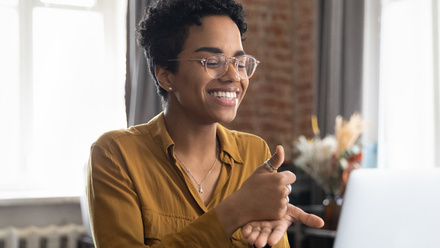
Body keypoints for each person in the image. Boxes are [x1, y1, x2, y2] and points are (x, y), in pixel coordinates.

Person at [86, 0, 324, 247]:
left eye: (240, 63)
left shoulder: (255, 154)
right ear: (166, 75)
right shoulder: (115, 154)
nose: (233, 76)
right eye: (213, 62)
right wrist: (234, 211)